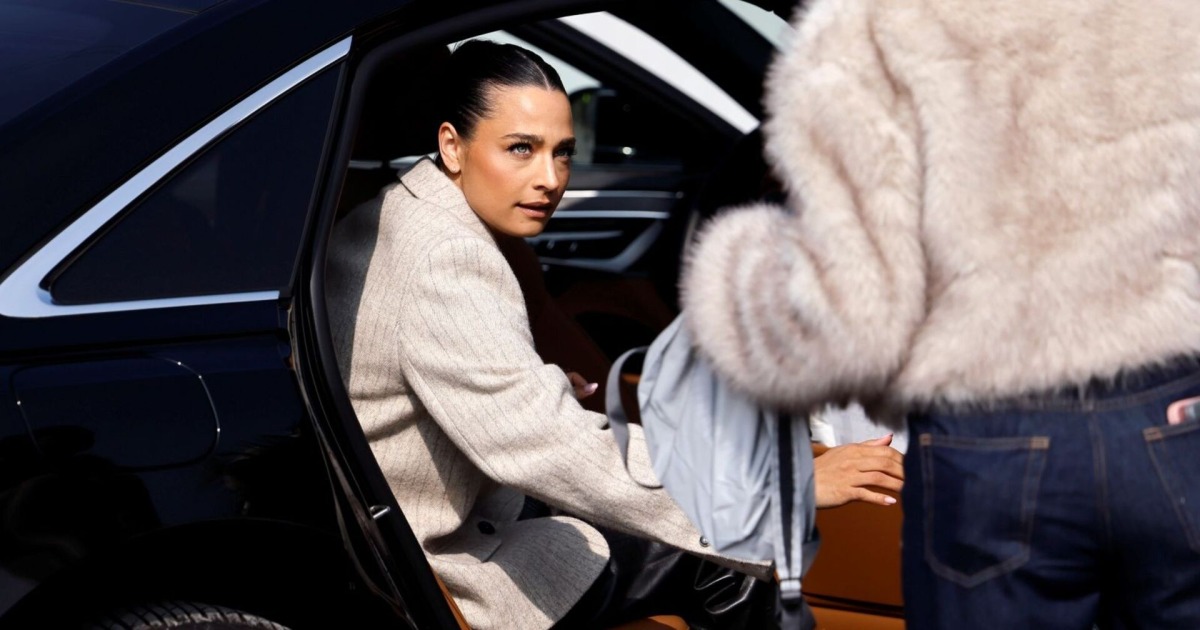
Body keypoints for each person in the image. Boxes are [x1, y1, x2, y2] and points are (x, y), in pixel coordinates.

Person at [680, 0, 1200, 627]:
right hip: (1174, 418)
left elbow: (845, 321)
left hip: (995, 439)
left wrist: (731, 267)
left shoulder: (877, 48)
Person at [325, 40, 780, 630]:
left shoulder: (389, 213)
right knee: (725, 560)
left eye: (562, 153)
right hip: (450, 561)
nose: (550, 180)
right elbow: (546, 443)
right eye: (521, 149)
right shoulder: (448, 254)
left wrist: (531, 384)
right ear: (452, 146)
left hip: (423, 521)